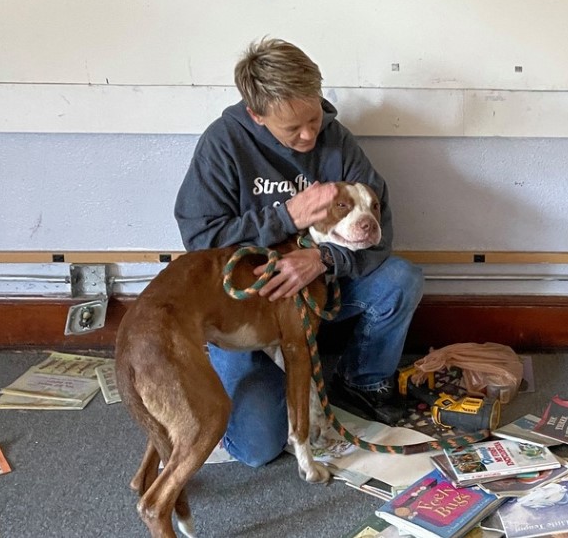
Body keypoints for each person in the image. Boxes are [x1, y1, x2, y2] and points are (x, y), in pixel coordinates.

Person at [174, 36, 423, 467]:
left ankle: (360, 381)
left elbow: (381, 233)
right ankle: (243, 388)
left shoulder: (337, 140)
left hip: (320, 292)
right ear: (256, 115)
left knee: (400, 280)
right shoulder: (223, 144)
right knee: (258, 449)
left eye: (314, 116)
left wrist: (324, 259)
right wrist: (287, 216)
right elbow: (201, 241)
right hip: (246, 310)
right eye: (293, 128)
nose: (309, 134)